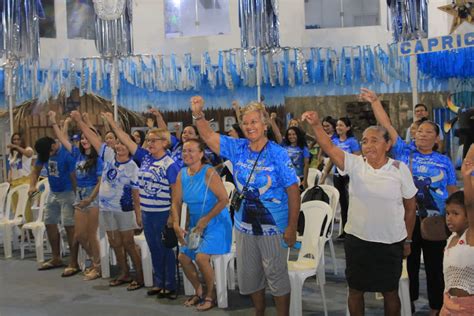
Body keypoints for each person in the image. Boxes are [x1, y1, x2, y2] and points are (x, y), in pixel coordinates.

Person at [190, 96, 300, 316]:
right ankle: (259, 312)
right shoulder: (237, 148)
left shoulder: (278, 153)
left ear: (265, 125)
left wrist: (291, 227)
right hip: (243, 227)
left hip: (274, 228)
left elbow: (293, 190)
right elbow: (209, 136)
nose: (249, 127)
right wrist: (198, 115)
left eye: (254, 122)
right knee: (250, 276)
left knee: (277, 277)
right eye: (246, 123)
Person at [302, 109, 417, 316]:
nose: (368, 145)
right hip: (358, 239)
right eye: (364, 141)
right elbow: (328, 146)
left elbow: (410, 208)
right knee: (355, 290)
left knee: (390, 292)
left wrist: (407, 240)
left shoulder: (399, 169)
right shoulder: (355, 165)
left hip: (390, 242)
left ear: (387, 144)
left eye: (374, 140)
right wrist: (316, 124)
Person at [360, 88, 458, 316]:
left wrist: (457, 222)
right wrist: (375, 101)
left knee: (436, 268)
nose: (422, 135)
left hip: (436, 223)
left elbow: (453, 192)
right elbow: (387, 125)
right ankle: (409, 303)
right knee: (409, 266)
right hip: (407, 221)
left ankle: (436, 307)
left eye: (428, 132)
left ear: (437, 138)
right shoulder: (405, 151)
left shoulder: (444, 161)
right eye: (419, 131)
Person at [102, 112, 179, 298]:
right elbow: (125, 139)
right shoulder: (144, 158)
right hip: (147, 212)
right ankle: (159, 282)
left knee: (166, 250)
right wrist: (112, 123)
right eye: (149, 140)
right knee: (154, 248)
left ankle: (171, 285)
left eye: (154, 140)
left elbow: (176, 193)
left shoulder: (170, 164)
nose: (150, 143)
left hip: (162, 213)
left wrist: (172, 215)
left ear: (164, 143)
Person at [71, 111, 144, 291]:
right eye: (118, 144)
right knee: (114, 242)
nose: (119, 147)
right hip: (106, 208)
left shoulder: (133, 167)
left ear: (130, 148)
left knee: (128, 243)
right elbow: (92, 138)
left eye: (124, 145)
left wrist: (138, 215)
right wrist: (80, 121)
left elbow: (136, 195)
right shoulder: (109, 155)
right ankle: (124, 272)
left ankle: (140, 275)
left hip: (124, 209)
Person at [171, 139, 232, 311]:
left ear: (201, 154)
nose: (186, 154)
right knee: (183, 257)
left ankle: (210, 295)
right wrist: (176, 224)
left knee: (201, 257)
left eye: (191, 151)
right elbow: (175, 202)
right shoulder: (181, 174)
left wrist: (206, 219)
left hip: (216, 223)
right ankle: (199, 290)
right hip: (197, 226)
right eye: (184, 151)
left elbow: (224, 200)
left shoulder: (209, 172)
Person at [48, 111, 103, 280]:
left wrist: (91, 199)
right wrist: (54, 123)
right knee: (79, 235)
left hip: (92, 195)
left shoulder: (99, 158)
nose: (85, 141)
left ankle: (97, 267)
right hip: (80, 196)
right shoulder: (76, 154)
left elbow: (101, 181)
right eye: (82, 139)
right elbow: (63, 139)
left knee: (92, 234)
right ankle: (95, 260)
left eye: (87, 138)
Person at [30, 136, 79, 276]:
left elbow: (74, 178)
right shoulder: (45, 152)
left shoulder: (66, 155)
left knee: (70, 226)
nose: (48, 156)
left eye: (49, 153)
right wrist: (32, 185)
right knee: (49, 223)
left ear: (54, 145)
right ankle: (56, 258)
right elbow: (36, 170)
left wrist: (77, 198)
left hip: (68, 192)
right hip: (53, 192)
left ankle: (73, 262)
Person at [440, 146, 474, 315]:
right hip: (448, 304)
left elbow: (470, 204)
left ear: (469, 217)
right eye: (447, 213)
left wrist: (467, 177)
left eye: (455, 214)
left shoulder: (471, 236)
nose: (449, 218)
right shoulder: (450, 239)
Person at [321, 117, 361, 239]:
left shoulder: (353, 141)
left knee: (352, 203)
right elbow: (332, 160)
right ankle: (345, 231)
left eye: (341, 125)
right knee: (343, 203)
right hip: (337, 176)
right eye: (337, 125)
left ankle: (354, 230)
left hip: (349, 177)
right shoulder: (335, 142)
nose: (338, 127)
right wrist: (324, 175)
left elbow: (357, 159)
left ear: (348, 128)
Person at [7, 133, 34, 222]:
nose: (16, 141)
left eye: (18, 139)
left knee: (25, 206)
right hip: (14, 182)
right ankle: (21, 229)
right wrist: (9, 177)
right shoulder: (12, 153)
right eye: (14, 140)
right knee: (15, 207)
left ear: (22, 140)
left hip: (25, 180)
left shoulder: (27, 149)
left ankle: (29, 229)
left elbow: (29, 154)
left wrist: (17, 147)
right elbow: (11, 167)